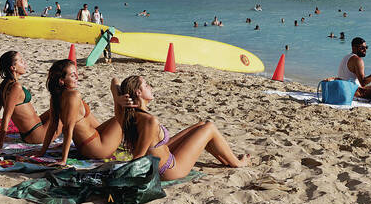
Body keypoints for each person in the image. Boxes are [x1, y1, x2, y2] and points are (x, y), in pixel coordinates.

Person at [117, 75, 250, 180]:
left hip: (163, 158)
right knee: (209, 127)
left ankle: (226, 160)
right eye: (146, 85)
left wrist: (119, 99)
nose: (150, 87)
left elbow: (114, 82)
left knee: (201, 125)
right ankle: (238, 163)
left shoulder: (128, 114)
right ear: (138, 92)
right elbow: (139, 156)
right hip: (170, 170)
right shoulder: (150, 121)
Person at [35, 59, 131, 165]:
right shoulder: (74, 95)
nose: (77, 77)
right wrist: (63, 160)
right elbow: (68, 128)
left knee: (115, 83)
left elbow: (52, 126)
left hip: (86, 145)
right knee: (126, 113)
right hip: (96, 148)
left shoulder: (55, 97)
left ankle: (118, 100)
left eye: (76, 73)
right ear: (61, 80)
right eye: (72, 75)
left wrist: (42, 152)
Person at [0, 51, 62, 147]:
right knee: (66, 109)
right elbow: (7, 115)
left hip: (31, 132)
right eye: (21, 61)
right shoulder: (16, 87)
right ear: (13, 68)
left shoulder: (2, 86)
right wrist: (0, 143)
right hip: (37, 135)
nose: (24, 63)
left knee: (58, 106)